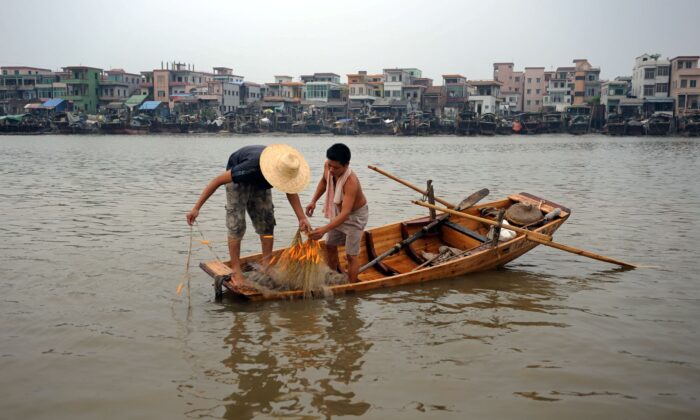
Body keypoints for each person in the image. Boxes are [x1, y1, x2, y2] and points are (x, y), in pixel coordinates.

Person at [186, 144, 311, 284]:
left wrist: (302, 218)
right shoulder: (250, 168)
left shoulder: (286, 167)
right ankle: (236, 269)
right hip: (238, 181)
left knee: (267, 223)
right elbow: (217, 181)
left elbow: (291, 191)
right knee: (237, 225)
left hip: (261, 183)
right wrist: (196, 208)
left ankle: (267, 264)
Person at [306, 143, 368, 283]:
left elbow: (346, 214)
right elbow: (324, 181)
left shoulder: (351, 182)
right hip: (338, 212)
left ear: (346, 165)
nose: (332, 170)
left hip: (355, 216)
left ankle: (351, 288)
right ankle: (333, 277)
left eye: (336, 167)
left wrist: (322, 230)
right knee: (330, 245)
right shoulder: (328, 166)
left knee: (351, 255)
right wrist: (313, 201)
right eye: (330, 166)